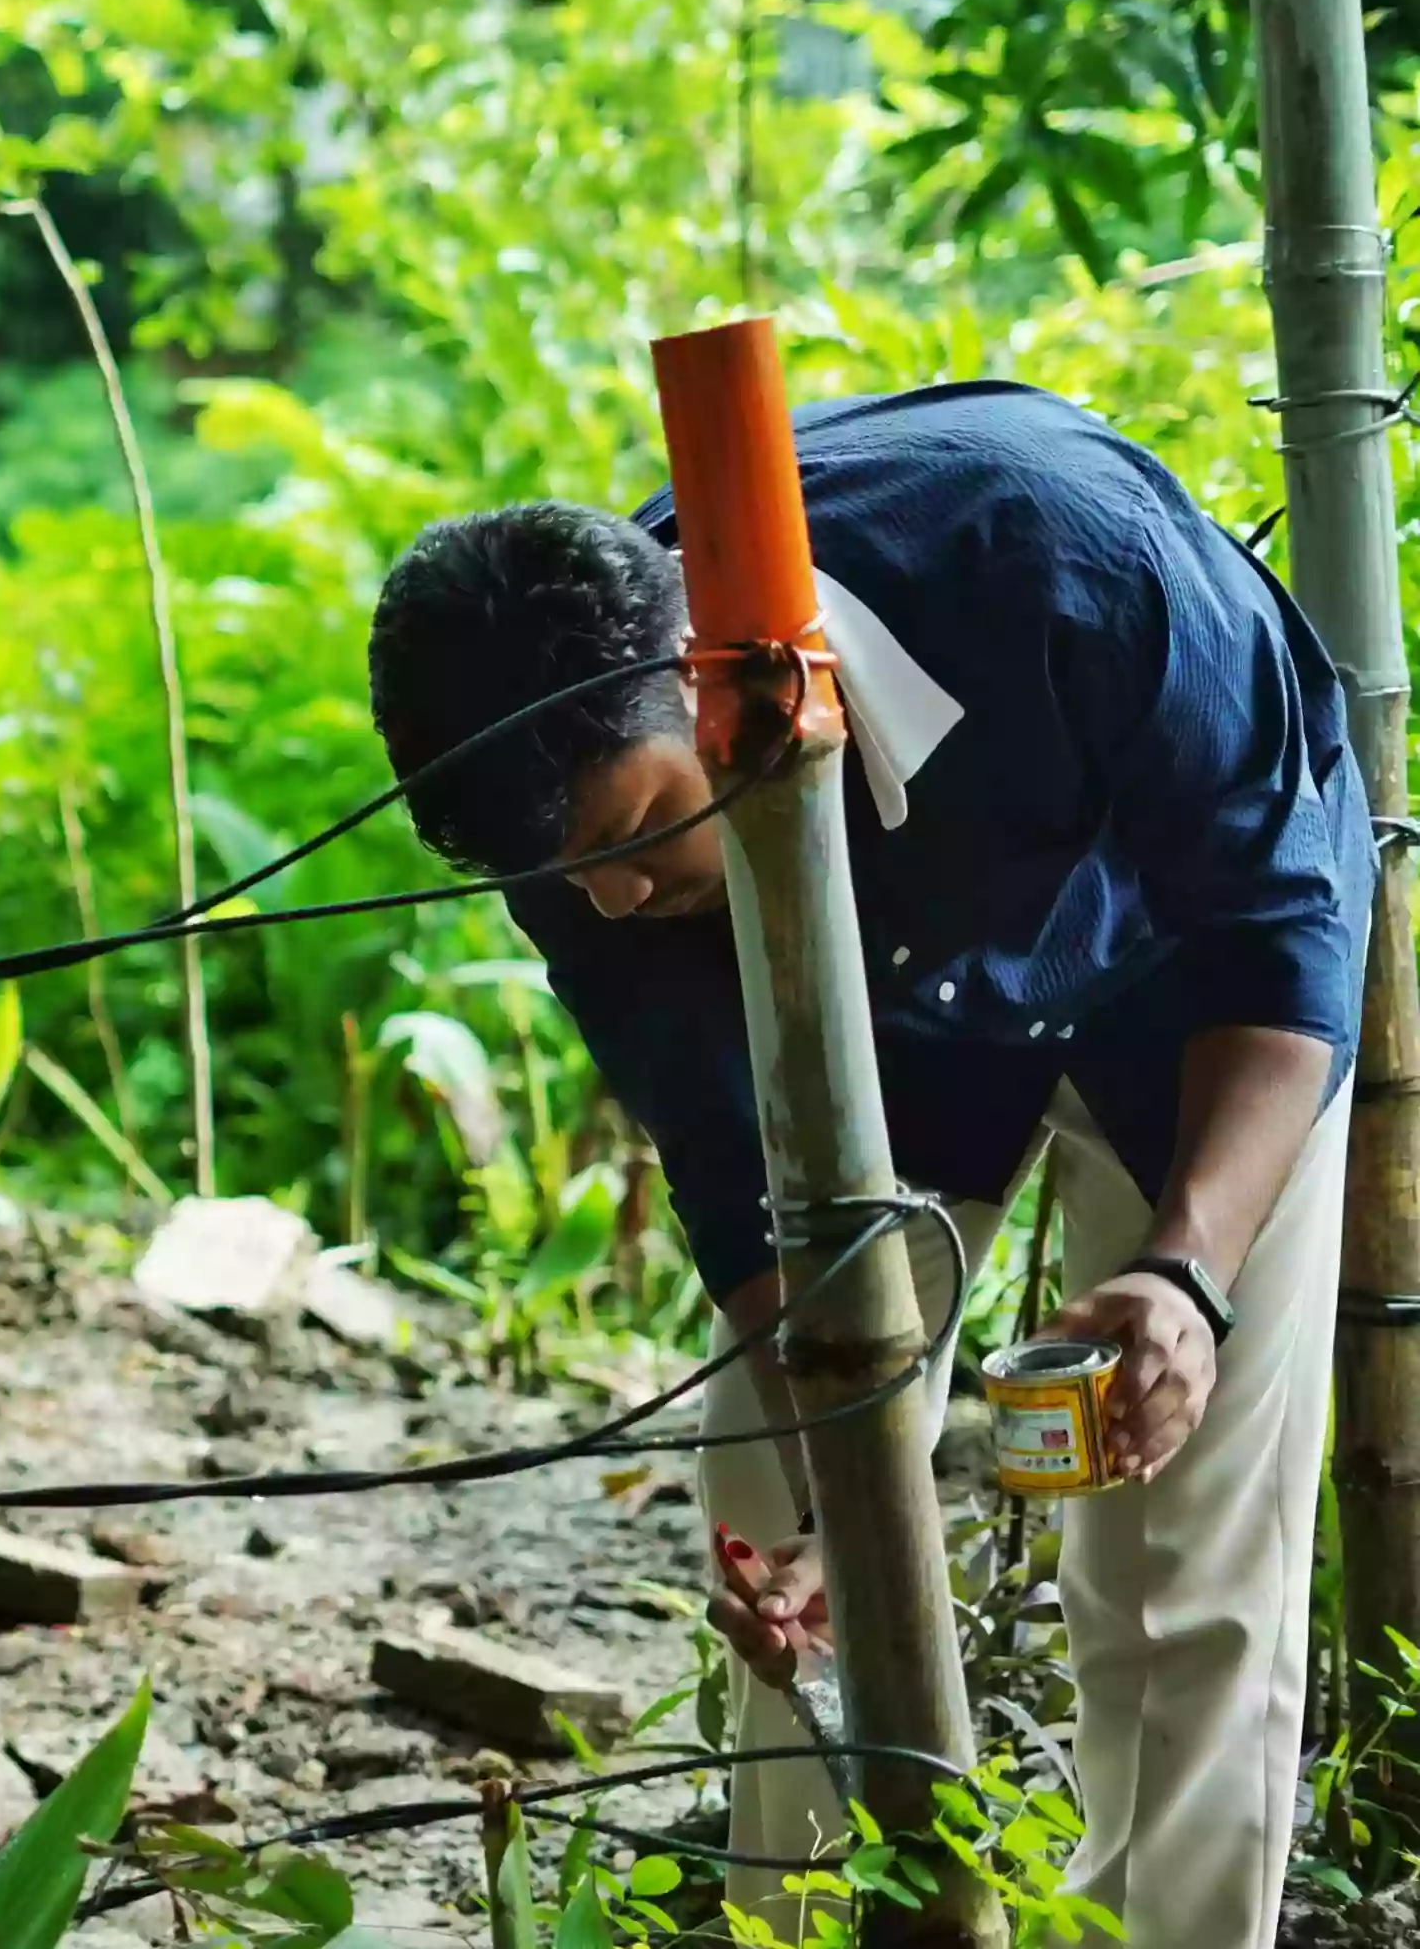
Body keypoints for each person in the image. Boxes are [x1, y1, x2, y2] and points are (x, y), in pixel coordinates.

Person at [365, 382, 1366, 1944]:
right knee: (773, 1505)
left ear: (711, 680)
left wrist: (1184, 1272)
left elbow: (1277, 925)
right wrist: (844, 1482)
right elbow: (724, 1160)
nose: (615, 903)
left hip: (1188, 975)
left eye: (636, 835)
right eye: (573, 876)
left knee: (1181, 1534)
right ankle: (810, 1921)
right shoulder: (566, 813)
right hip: (865, 999)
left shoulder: (1069, 561)